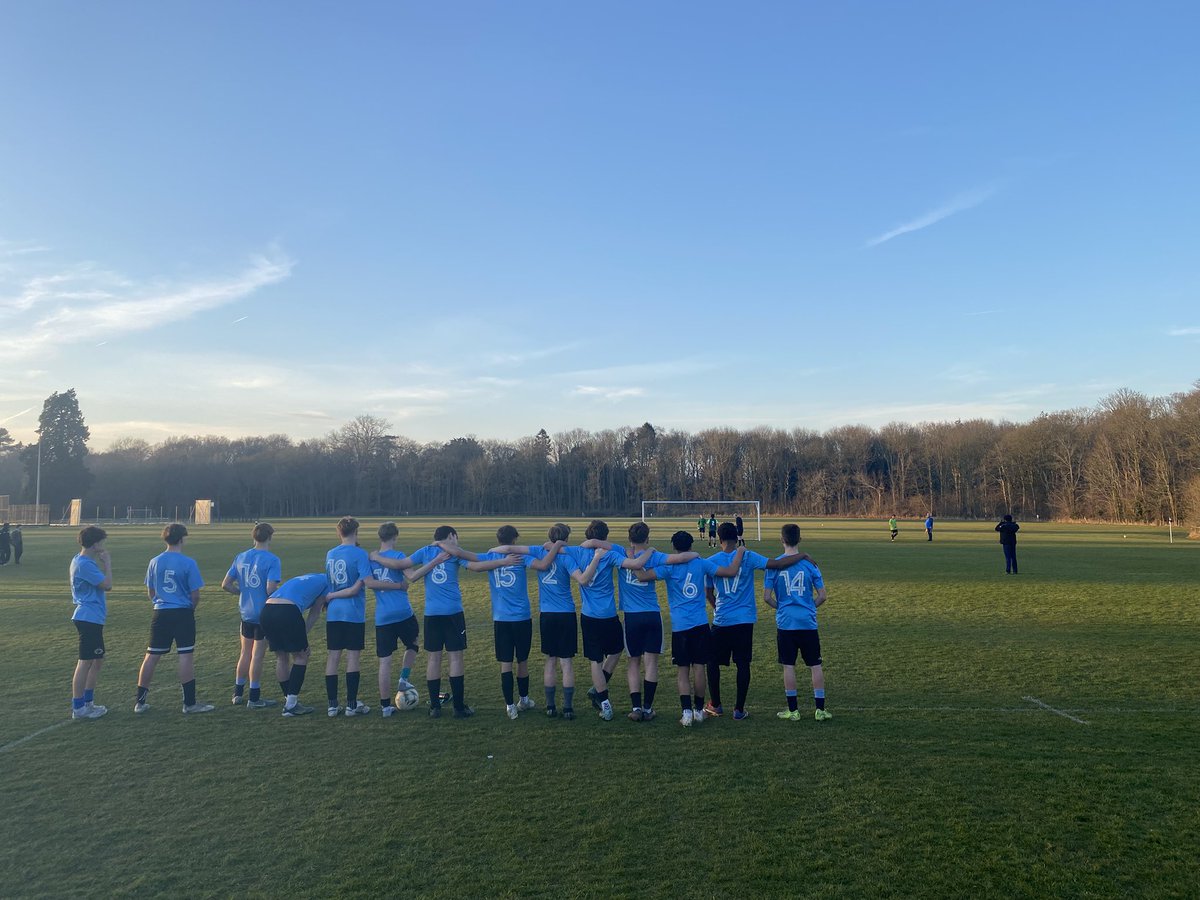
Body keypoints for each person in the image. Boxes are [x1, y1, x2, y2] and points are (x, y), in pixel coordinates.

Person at [383, 525, 515, 719]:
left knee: (433, 658)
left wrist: (377, 558)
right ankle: (458, 708)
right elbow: (476, 566)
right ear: (451, 536)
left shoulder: (425, 551)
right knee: (455, 658)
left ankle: (435, 707)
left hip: (432, 614)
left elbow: (401, 563)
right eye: (456, 537)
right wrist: (503, 562)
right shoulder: (453, 554)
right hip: (453, 613)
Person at [583, 521, 701, 722]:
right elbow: (680, 557)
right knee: (651, 663)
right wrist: (695, 555)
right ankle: (648, 708)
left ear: (630, 539)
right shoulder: (655, 556)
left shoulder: (621, 552)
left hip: (632, 617)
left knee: (633, 663)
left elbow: (593, 542)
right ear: (647, 538)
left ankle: (636, 707)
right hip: (652, 615)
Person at [635, 531, 746, 726]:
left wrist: (631, 560)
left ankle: (686, 713)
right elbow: (730, 572)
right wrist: (740, 552)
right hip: (700, 623)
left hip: (680, 626)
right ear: (691, 545)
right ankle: (699, 710)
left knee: (683, 670)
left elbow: (642, 576)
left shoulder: (669, 567)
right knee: (699, 667)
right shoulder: (701, 563)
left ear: (675, 548)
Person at [492, 523, 600, 721]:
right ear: (565, 539)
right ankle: (567, 708)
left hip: (547, 614)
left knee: (550, 660)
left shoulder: (538, 551)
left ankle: (550, 706)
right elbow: (582, 579)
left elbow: (509, 548)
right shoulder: (567, 558)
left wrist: (492, 550)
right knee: (566, 662)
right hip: (566, 613)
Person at [705, 521, 812, 720]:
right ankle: (738, 709)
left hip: (722, 620)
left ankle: (716, 704)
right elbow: (778, 564)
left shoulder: (711, 560)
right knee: (743, 663)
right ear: (737, 537)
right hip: (744, 620)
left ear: (719, 539)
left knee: (712, 662)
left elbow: (708, 592)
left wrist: (716, 607)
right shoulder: (748, 556)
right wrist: (803, 555)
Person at [475, 525, 566, 719]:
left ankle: (510, 705)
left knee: (505, 663)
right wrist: (558, 546)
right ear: (515, 539)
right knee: (522, 660)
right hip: (522, 617)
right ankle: (523, 699)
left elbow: (472, 565)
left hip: (501, 618)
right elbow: (543, 565)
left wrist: (497, 557)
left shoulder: (491, 556)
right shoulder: (521, 558)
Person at [363, 522, 449, 717]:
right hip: (403, 612)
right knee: (413, 644)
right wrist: (434, 561)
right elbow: (413, 576)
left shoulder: (371, 559)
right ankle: (404, 677)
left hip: (382, 616)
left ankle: (385, 707)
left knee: (384, 662)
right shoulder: (399, 556)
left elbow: (368, 582)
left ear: (380, 537)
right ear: (395, 537)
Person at [576, 520, 654, 721]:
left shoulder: (577, 552)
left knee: (596, 659)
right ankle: (600, 692)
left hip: (589, 615)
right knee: (618, 649)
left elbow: (554, 547)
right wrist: (651, 550)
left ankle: (603, 701)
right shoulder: (611, 554)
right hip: (609, 614)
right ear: (606, 536)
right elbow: (636, 565)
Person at [135, 523, 214, 714]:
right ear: (181, 539)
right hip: (182, 613)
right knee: (185, 655)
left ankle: (140, 702)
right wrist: (189, 610)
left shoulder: (154, 561)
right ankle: (189, 703)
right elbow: (195, 595)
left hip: (160, 613)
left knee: (151, 656)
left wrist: (160, 603)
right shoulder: (188, 563)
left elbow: (151, 592)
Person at [765, 524, 830, 722]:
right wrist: (809, 607)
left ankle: (793, 710)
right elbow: (822, 596)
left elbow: (767, 597)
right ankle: (820, 710)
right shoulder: (810, 564)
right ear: (800, 539)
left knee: (789, 666)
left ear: (781, 539)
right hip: (808, 622)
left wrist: (782, 608)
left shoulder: (775, 565)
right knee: (815, 665)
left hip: (786, 622)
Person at [261, 573, 349, 716]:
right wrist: (303, 635)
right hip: (287, 611)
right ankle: (291, 705)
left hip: (266, 610)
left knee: (282, 657)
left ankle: (289, 700)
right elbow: (315, 613)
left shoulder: (312, 577)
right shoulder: (328, 584)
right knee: (302, 655)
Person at [221, 522, 282, 708]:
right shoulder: (272, 560)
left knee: (244, 653)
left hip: (245, 613)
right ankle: (254, 697)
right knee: (257, 656)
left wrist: (242, 593)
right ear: (270, 537)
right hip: (262, 614)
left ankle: (238, 693)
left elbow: (226, 584)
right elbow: (270, 588)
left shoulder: (241, 556)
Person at [324, 517, 374, 717]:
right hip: (352, 612)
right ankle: (352, 705)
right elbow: (358, 587)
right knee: (353, 657)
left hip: (333, 612)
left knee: (333, 656)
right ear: (356, 532)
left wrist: (331, 597)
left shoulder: (330, 553)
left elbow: (329, 582)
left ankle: (332, 705)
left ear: (339, 533)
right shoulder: (360, 554)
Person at [70, 525, 112, 719]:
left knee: (97, 661)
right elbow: (107, 585)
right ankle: (79, 707)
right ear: (95, 543)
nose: (102, 546)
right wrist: (107, 563)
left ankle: (88, 702)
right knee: (85, 662)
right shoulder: (85, 564)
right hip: (88, 617)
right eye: (101, 542)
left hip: (91, 617)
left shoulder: (79, 560)